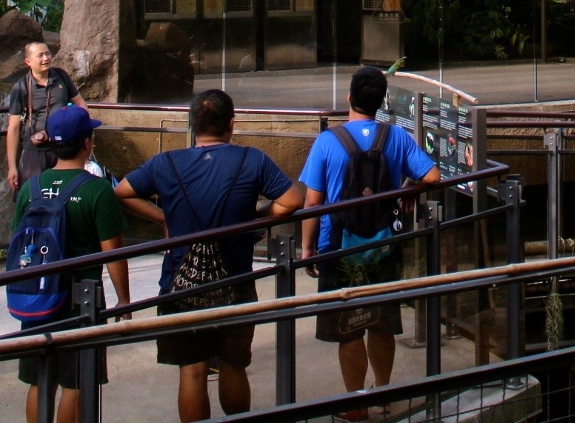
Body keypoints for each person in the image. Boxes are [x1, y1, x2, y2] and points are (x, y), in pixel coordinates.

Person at [115, 89, 302, 423]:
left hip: (181, 283)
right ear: (232, 124)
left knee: (192, 370)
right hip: (236, 280)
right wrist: (256, 217)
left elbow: (123, 192)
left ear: (192, 125)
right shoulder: (252, 160)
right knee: (233, 365)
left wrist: (165, 218)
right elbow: (291, 201)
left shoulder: (166, 163)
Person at [298, 67, 439, 409]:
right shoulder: (396, 137)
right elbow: (433, 175)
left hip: (337, 247)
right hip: (383, 246)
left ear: (349, 98)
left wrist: (307, 248)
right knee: (382, 322)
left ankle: (355, 405)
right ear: (381, 102)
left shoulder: (327, 141)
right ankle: (383, 394)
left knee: (348, 328)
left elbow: (312, 202)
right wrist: (408, 187)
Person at [13, 105, 132, 423]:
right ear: (87, 143)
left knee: (40, 380)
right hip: (82, 299)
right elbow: (112, 254)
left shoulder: (30, 189)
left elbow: (18, 241)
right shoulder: (97, 191)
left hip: (37, 295)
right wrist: (123, 300)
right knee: (76, 384)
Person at [7, 41, 79, 192]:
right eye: (40, 55)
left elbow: (81, 105)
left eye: (47, 53)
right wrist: (12, 167)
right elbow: (13, 128)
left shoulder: (61, 76)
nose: (46, 58)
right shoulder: (21, 87)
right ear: (28, 61)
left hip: (63, 147)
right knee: (33, 195)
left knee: (65, 194)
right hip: (35, 150)